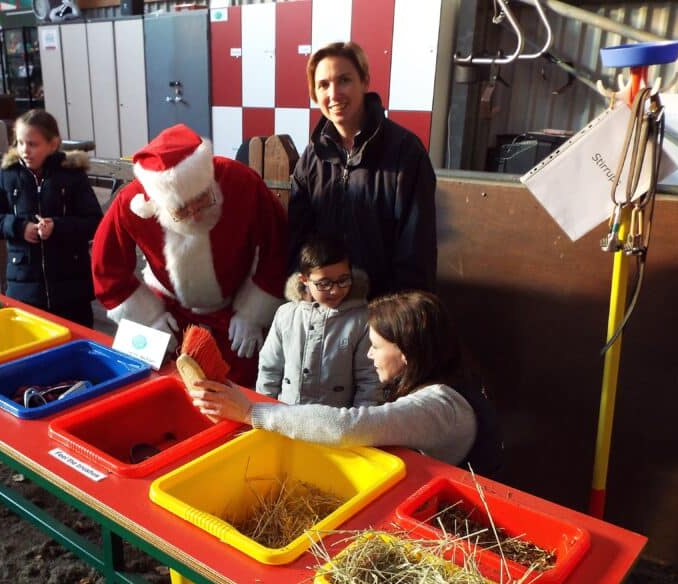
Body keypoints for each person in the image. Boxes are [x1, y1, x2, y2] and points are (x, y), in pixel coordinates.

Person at [191, 291, 502, 475]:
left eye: (377, 346)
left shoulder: (439, 407)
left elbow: (346, 427)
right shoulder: (442, 381)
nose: (369, 354)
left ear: (407, 352)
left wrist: (250, 413)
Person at [91, 123, 286, 386]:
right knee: (161, 386)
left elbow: (278, 244)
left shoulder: (240, 181)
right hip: (168, 313)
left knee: (242, 389)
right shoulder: (132, 202)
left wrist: (253, 313)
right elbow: (107, 266)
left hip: (234, 312)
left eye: (203, 200)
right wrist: (147, 317)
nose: (195, 214)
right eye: (181, 210)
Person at [288, 41, 437, 299]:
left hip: (381, 311)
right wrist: (306, 297)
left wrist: (394, 325)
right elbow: (298, 242)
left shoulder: (406, 153)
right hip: (325, 307)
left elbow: (416, 254)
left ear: (365, 81)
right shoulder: (312, 157)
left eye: (344, 80)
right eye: (323, 85)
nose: (333, 94)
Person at [0, 109, 103, 327]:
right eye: (20, 143)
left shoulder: (72, 175)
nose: (24, 151)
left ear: (53, 144)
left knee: (74, 347)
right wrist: (19, 227)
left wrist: (57, 227)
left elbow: (94, 221)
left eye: (33, 144)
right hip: (24, 288)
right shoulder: (8, 175)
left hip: (71, 290)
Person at [256, 235, 383, 408]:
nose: (335, 290)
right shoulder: (286, 315)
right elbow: (269, 369)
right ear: (304, 280)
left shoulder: (362, 320)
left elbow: (370, 380)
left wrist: (360, 426)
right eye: (324, 283)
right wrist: (263, 413)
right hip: (287, 419)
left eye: (343, 280)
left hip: (338, 425)